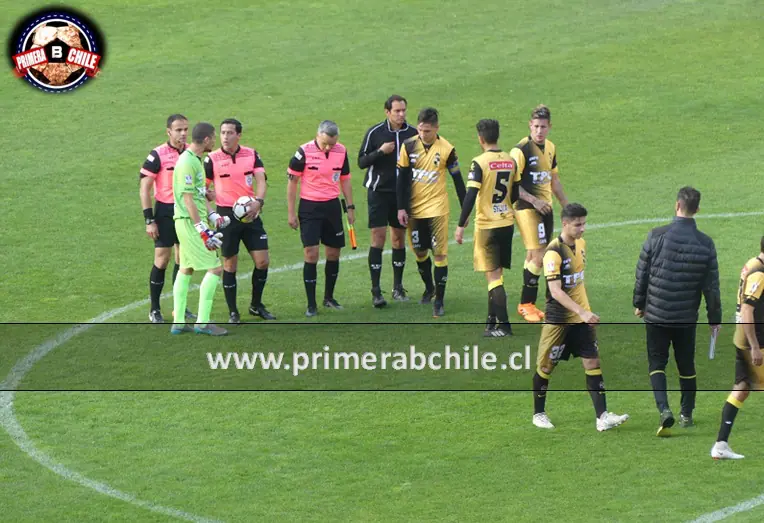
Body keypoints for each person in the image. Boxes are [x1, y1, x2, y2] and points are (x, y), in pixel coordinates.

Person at [532, 203, 629, 432]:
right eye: (578, 224)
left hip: (582, 318)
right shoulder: (553, 253)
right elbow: (555, 291)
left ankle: (602, 416)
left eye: (584, 223)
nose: (582, 228)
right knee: (546, 366)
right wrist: (581, 311)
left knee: (592, 362)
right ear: (565, 223)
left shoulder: (582, 244)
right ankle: (538, 413)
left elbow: (578, 282)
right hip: (559, 320)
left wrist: (584, 311)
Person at [633, 186, 722, 436]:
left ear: (677, 205)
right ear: (698, 209)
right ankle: (687, 414)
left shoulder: (656, 235)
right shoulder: (706, 244)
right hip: (685, 318)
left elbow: (642, 273)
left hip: (657, 314)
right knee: (686, 365)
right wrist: (714, 318)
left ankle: (664, 410)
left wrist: (639, 303)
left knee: (657, 362)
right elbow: (711, 288)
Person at [204, 118, 275, 324]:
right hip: (226, 216)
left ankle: (256, 304)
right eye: (223, 133)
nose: (225, 137)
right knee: (229, 264)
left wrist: (259, 202)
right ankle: (233, 312)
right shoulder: (212, 159)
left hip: (251, 213)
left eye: (230, 133)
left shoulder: (252, 154)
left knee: (262, 261)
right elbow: (202, 189)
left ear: (239, 135)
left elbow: (261, 180)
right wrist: (210, 210)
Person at [396, 107, 466, 318]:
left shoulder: (447, 149)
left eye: (427, 131)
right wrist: (401, 207)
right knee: (419, 252)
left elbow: (458, 180)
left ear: (436, 128)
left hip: (437, 209)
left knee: (440, 254)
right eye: (420, 130)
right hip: (415, 210)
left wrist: (465, 211)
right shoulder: (409, 146)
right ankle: (430, 287)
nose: (423, 135)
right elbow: (401, 179)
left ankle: (439, 301)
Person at [455, 119, 516, 337]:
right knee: (497, 274)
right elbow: (515, 193)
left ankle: (504, 326)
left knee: (492, 277)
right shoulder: (510, 160)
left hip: (487, 226)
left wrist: (461, 225)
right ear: (497, 136)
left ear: (480, 139)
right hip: (507, 223)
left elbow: (470, 195)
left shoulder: (479, 162)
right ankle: (491, 321)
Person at [287, 120, 355, 317]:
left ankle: (329, 297)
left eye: (332, 144)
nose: (328, 147)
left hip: (332, 206)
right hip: (309, 207)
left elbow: (346, 179)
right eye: (325, 143)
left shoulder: (341, 151)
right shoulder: (303, 152)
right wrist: (291, 212)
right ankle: (311, 304)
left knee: (334, 253)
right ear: (318, 135)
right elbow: (292, 183)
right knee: (311, 253)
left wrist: (350, 207)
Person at [510, 105, 569, 323]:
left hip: (546, 209)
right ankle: (526, 304)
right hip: (526, 208)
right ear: (529, 125)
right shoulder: (521, 150)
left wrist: (566, 206)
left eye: (543, 127)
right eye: (536, 126)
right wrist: (534, 201)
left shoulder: (551, 148)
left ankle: (528, 304)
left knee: (532, 256)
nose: (539, 131)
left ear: (549, 127)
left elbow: (554, 180)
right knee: (539, 255)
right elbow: (511, 185)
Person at [358, 94, 418, 307]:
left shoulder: (413, 134)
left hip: (402, 195)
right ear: (387, 112)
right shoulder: (375, 133)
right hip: (378, 192)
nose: (401, 115)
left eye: (403, 110)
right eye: (397, 111)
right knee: (378, 238)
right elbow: (362, 162)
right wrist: (380, 151)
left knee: (398, 239)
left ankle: (398, 287)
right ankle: (376, 291)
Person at [170, 122, 230, 336]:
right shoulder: (188, 162)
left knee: (186, 268)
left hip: (188, 221)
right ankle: (202, 323)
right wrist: (203, 230)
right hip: (189, 222)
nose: (214, 142)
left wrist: (212, 214)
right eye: (213, 138)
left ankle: (178, 322)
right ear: (206, 140)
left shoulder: (195, 160)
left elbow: (198, 194)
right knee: (215, 268)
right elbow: (188, 200)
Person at [139, 114, 197, 323]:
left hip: (187, 212)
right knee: (162, 260)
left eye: (185, 129)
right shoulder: (158, 155)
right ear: (169, 132)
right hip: (165, 212)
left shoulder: (192, 153)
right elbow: (144, 189)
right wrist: (149, 220)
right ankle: (154, 309)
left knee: (184, 261)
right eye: (178, 130)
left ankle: (179, 306)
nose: (182, 133)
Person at [710, 236, 764, 460]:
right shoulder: (760, 274)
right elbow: (748, 311)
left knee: (741, 388)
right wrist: (754, 347)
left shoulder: (752, 264)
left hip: (742, 338)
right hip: (755, 342)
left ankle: (721, 444)